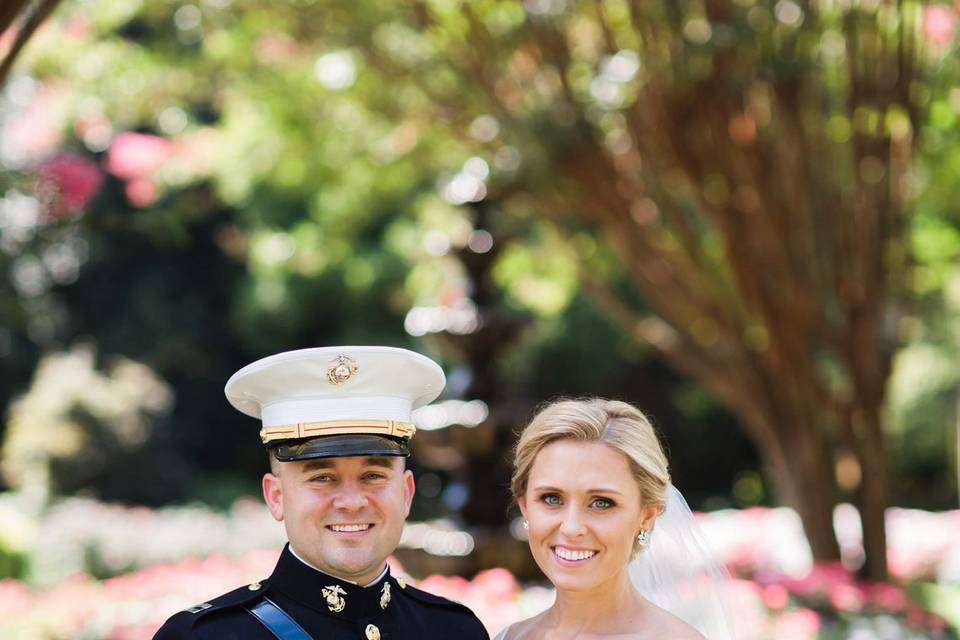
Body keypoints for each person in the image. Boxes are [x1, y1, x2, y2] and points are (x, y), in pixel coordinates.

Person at [154, 346, 490, 640]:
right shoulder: (203, 637)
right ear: (276, 496)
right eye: (323, 478)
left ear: (406, 493)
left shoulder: (454, 630)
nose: (352, 502)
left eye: (373, 475)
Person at [495, 398, 733, 640]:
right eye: (552, 498)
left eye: (602, 502)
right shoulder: (509, 637)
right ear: (524, 505)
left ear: (647, 515)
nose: (572, 527)